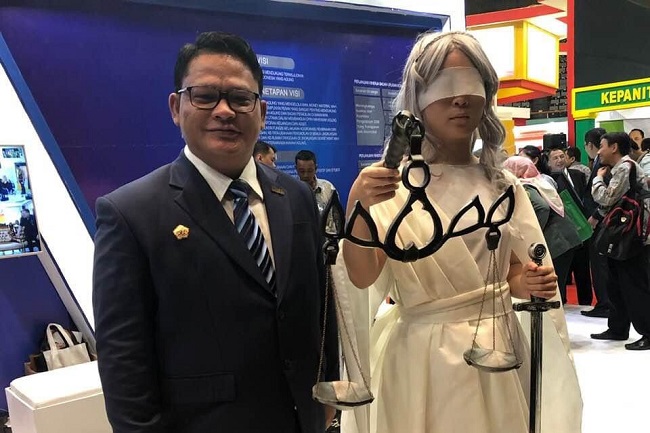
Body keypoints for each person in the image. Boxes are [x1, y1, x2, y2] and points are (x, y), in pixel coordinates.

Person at [93, 32, 338, 433]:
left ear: (261, 112)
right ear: (177, 107)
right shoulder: (131, 214)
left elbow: (321, 305)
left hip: (302, 418)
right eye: (205, 96)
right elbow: (124, 362)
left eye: (240, 98)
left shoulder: (295, 197)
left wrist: (327, 391)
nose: (225, 111)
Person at [337, 31, 581, 433]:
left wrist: (528, 283)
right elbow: (363, 276)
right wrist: (358, 207)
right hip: (421, 356)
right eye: (445, 84)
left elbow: (511, 271)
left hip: (497, 347)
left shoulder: (503, 185)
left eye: (472, 84)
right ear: (418, 97)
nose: (460, 99)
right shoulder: (390, 186)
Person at [590, 132, 650, 350]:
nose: (599, 151)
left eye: (602, 146)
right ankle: (617, 328)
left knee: (634, 284)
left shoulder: (625, 167)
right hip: (624, 233)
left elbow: (606, 197)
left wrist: (598, 178)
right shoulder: (622, 167)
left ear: (614, 147)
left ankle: (647, 332)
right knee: (615, 283)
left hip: (633, 235)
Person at [504, 156, 583, 304]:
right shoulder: (540, 182)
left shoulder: (526, 186)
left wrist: (533, 234)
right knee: (558, 282)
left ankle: (557, 312)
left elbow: (542, 207)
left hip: (556, 239)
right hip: (565, 236)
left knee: (551, 283)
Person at [580, 127, 612, 318]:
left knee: (600, 265)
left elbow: (605, 197)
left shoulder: (603, 165)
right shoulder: (600, 163)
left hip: (600, 222)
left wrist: (595, 215)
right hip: (602, 222)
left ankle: (605, 304)